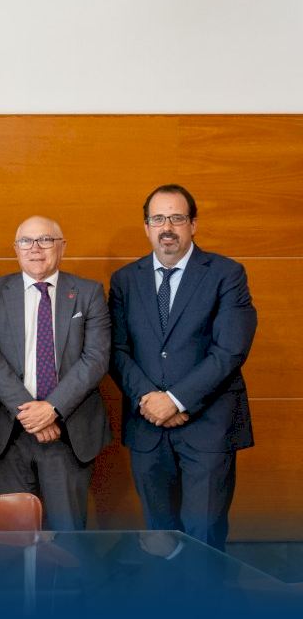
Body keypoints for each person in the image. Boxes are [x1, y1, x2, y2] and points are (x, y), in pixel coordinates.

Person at [110, 184, 256, 551]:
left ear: (193, 224)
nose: (167, 227)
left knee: (204, 536)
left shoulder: (226, 274)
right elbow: (116, 350)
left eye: (177, 218)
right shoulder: (125, 280)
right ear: (146, 227)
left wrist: (175, 400)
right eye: (158, 219)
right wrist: (150, 399)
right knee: (159, 538)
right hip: (147, 427)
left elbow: (230, 350)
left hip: (208, 427)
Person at [0, 216, 111, 531]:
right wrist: (30, 413)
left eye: (45, 240)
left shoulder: (88, 292)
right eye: (26, 241)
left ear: (62, 247)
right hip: (11, 433)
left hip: (68, 432)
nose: (35, 248)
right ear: (16, 248)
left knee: (69, 536)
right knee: (13, 535)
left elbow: (96, 358)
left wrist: (51, 409)